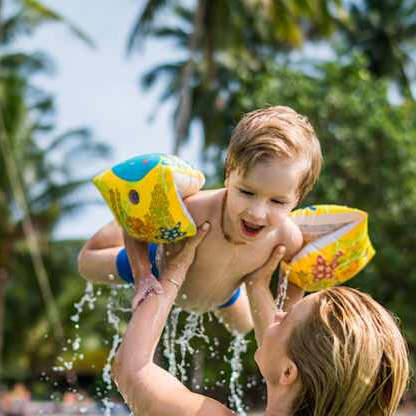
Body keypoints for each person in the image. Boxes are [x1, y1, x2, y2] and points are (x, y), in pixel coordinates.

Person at [112, 225, 410, 416]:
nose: (277, 316)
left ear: (288, 373)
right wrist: (257, 287)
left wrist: (173, 271)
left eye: (288, 316)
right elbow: (328, 369)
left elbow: (132, 369)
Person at [78, 106, 322, 332]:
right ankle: (120, 219)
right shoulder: (195, 211)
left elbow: (295, 280)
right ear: (229, 174)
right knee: (87, 264)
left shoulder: (288, 240)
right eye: (246, 192)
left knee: (244, 327)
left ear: (298, 197)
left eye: (277, 202)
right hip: (157, 265)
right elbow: (137, 225)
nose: (257, 213)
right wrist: (143, 275)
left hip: (224, 294)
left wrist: (286, 314)